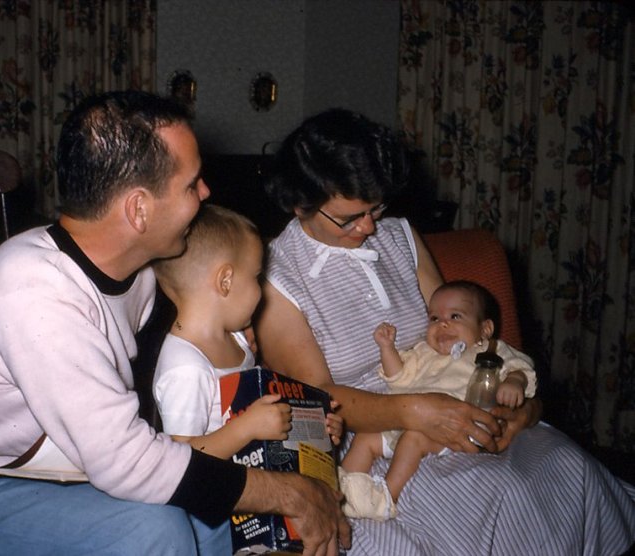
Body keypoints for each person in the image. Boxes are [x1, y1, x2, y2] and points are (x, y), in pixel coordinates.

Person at [0, 91, 350, 556]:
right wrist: (290, 493)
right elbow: (128, 463)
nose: (206, 190)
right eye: (190, 183)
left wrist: (296, 438)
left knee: (223, 526)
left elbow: (192, 378)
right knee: (156, 533)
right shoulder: (34, 294)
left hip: (31, 472)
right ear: (138, 209)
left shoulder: (134, 274)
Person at [254, 108, 635, 555]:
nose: (370, 227)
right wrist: (418, 411)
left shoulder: (400, 236)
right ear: (300, 202)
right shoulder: (275, 273)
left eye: (376, 207)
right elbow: (318, 396)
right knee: (501, 494)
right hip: (371, 440)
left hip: (457, 395)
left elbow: (465, 333)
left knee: (569, 467)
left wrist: (525, 409)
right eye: (350, 217)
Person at [152, 204, 342, 458]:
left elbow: (255, 414)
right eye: (256, 277)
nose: (261, 291)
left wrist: (312, 423)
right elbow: (179, 456)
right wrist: (247, 429)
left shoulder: (237, 339)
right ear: (225, 281)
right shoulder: (186, 369)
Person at [338, 280, 537, 521]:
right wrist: (386, 348)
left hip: (459, 430)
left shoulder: (491, 351)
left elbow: (520, 367)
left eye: (455, 316)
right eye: (434, 318)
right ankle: (340, 487)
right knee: (366, 436)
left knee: (413, 439)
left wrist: (514, 382)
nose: (442, 323)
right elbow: (398, 377)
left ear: (485, 329)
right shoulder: (424, 352)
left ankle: (386, 496)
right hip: (411, 421)